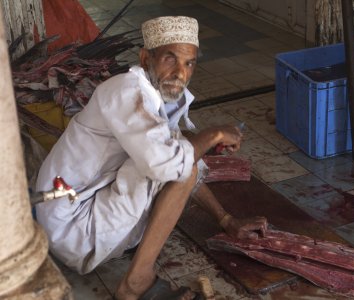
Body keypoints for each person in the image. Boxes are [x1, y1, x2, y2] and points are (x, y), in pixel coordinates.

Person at [35, 16, 268, 300]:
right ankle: (136, 282)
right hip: (72, 224)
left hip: (82, 209)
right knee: (173, 159)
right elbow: (169, 164)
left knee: (180, 153)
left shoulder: (155, 95)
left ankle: (132, 258)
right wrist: (213, 135)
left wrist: (226, 219)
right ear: (146, 58)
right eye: (171, 59)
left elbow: (182, 163)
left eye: (189, 63)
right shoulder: (126, 91)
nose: (180, 72)